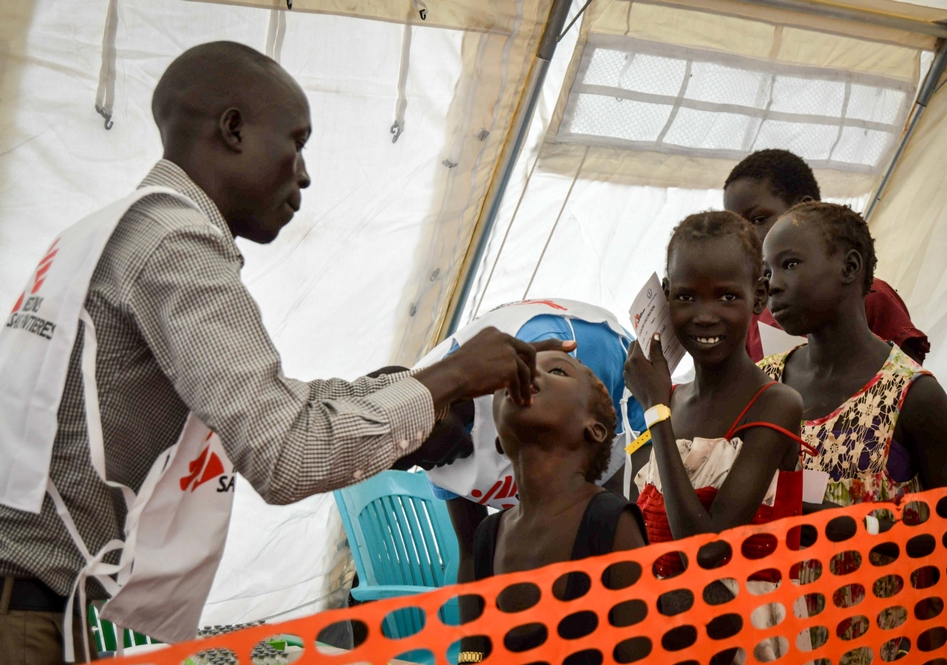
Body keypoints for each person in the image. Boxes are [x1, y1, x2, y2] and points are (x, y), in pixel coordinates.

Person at [0, 42, 574, 664]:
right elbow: (286, 454)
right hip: (20, 607)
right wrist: (446, 378)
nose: (304, 173)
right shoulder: (177, 247)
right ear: (233, 129)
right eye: (296, 143)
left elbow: (271, 400)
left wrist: (434, 384)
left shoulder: (117, 229)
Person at [758, 202, 947, 662]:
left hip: (880, 642)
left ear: (850, 268)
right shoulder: (764, 384)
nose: (772, 284)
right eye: (766, 271)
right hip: (781, 640)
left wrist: (856, 522)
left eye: (790, 264)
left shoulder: (910, 396)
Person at [624, 211, 810, 663]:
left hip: (748, 634)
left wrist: (655, 410)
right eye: (686, 296)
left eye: (727, 296)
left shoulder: (776, 403)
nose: (705, 316)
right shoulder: (667, 400)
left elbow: (707, 550)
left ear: (758, 296)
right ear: (666, 298)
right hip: (668, 631)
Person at [414, 298, 645, 590]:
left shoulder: (536, 364)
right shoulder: (490, 533)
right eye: (415, 464)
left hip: (608, 365)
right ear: (501, 444)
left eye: (424, 458)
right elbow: (471, 554)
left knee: (616, 519)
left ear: (440, 412)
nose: (427, 468)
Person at [460, 350, 648, 665]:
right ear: (499, 442)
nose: (525, 374)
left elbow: (642, 655)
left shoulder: (608, 522)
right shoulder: (488, 536)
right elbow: (476, 649)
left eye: (558, 371)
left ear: (595, 429)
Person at [723, 149, 930, 364]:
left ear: (804, 207)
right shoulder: (753, 316)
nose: (747, 237)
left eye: (758, 219)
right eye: (737, 229)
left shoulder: (869, 297)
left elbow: (906, 382)